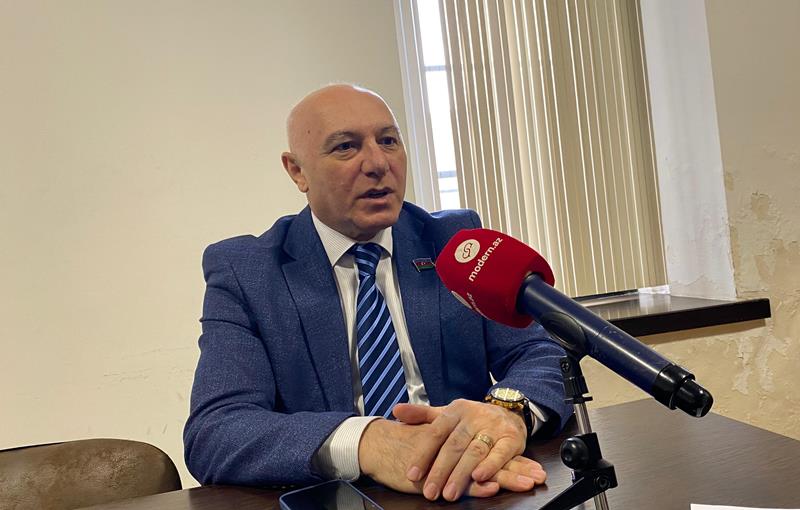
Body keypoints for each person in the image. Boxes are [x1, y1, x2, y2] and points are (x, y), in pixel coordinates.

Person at [183, 84, 572, 502]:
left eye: (388, 141)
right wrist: (369, 442)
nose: (378, 164)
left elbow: (541, 353)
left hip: (470, 485)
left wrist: (506, 414)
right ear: (297, 171)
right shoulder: (249, 271)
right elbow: (216, 430)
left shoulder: (455, 244)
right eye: (346, 147)